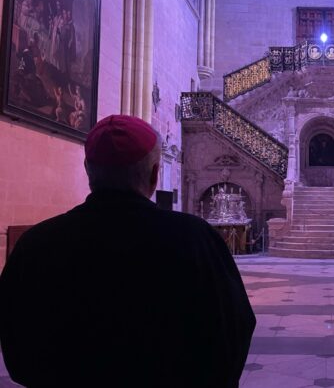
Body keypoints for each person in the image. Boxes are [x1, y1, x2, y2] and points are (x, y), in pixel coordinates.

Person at [0, 115, 256, 387]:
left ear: (88, 169)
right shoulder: (196, 239)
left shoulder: (36, 244)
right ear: (155, 173)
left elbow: (16, 341)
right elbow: (232, 331)